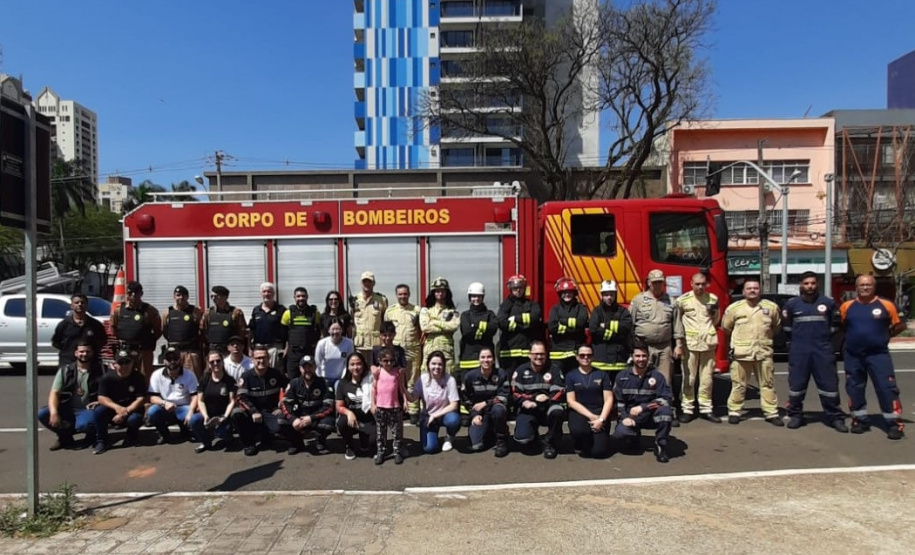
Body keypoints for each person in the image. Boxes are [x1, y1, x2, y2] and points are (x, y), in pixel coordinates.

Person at [840, 273, 907, 440]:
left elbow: (900, 325)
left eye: (868, 285)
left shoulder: (886, 305)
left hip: (878, 355)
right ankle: (859, 419)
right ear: (856, 288)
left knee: (886, 388)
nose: (865, 287)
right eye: (861, 285)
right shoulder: (847, 306)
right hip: (853, 355)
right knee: (854, 387)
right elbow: (842, 326)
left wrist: (885, 336)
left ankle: (894, 424)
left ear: (874, 287)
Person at [782, 271, 848, 432]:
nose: (809, 286)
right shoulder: (791, 305)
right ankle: (796, 415)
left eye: (812, 283)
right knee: (797, 385)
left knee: (829, 386)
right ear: (800, 285)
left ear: (817, 284)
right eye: (806, 283)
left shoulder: (828, 303)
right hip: (800, 351)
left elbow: (836, 326)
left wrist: (821, 338)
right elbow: (787, 329)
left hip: (823, 350)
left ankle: (835, 417)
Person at [721, 278, 783, 426]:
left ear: (760, 290)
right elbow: (726, 327)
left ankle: (771, 412)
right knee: (739, 384)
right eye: (749, 288)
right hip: (742, 353)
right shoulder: (734, 308)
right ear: (743, 291)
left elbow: (776, 327)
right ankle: (735, 411)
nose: (752, 290)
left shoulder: (771, 307)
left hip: (763, 353)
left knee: (767, 384)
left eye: (755, 288)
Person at [612, 341, 675, 463]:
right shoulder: (622, 376)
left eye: (644, 356)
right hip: (632, 416)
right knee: (620, 434)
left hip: (650, 415)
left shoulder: (657, 377)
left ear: (648, 357)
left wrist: (644, 407)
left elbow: (666, 399)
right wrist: (624, 417)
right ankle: (634, 437)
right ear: (632, 357)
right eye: (637, 356)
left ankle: (661, 446)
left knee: (665, 413)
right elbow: (619, 402)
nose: (641, 359)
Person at [631, 269, 679, 423]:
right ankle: (642, 411)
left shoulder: (672, 301)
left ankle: (667, 411)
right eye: (655, 282)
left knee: (665, 380)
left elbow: (677, 325)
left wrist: (679, 345)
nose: (658, 285)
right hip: (644, 346)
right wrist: (634, 347)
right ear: (648, 282)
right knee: (642, 379)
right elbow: (631, 324)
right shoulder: (638, 300)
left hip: (664, 347)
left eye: (660, 282)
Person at [37, 342, 103, 451]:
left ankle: (91, 435)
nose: (84, 354)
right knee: (43, 413)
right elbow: (54, 393)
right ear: (76, 353)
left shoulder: (101, 370)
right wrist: (54, 413)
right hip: (68, 408)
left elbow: (110, 391)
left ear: (92, 353)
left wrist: (100, 401)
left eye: (88, 351)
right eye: (81, 351)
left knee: (83, 425)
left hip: (88, 410)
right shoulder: (65, 370)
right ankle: (64, 437)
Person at [674, 273, 721, 423]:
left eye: (703, 284)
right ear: (691, 284)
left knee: (707, 379)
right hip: (690, 345)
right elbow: (678, 323)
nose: (700, 287)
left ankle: (706, 409)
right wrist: (679, 344)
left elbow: (716, 319)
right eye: (697, 284)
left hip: (708, 344)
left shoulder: (712, 299)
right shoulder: (682, 300)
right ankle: (687, 409)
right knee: (689, 379)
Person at [231, 345, 290, 456]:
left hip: (270, 411)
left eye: (264, 357)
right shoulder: (246, 377)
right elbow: (240, 397)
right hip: (252, 413)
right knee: (237, 413)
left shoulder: (276, 374)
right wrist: (253, 411)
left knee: (279, 426)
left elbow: (289, 387)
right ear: (253, 360)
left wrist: (282, 404)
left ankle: (266, 435)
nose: (261, 360)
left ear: (268, 359)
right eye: (258, 358)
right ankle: (249, 444)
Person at [510, 341, 564, 459]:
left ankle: (550, 442)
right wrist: (526, 401)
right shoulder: (520, 370)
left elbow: (559, 391)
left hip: (548, 407)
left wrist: (548, 399)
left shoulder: (554, 369)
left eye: (542, 354)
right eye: (536, 354)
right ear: (529, 355)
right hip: (528, 408)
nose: (539, 357)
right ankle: (533, 436)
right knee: (522, 438)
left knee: (558, 411)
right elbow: (514, 393)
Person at [92, 350, 147, 454]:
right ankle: (102, 441)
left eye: (127, 362)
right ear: (115, 364)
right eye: (121, 363)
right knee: (99, 411)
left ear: (132, 363)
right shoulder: (107, 378)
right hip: (113, 410)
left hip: (131, 410)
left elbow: (141, 399)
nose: (124, 366)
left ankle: (131, 437)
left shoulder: (138, 377)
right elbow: (101, 398)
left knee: (135, 419)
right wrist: (117, 408)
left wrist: (125, 411)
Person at [565, 344, 613, 458]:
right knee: (579, 431)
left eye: (589, 355)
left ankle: (597, 438)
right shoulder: (571, 375)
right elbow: (571, 401)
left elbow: (609, 399)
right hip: (580, 412)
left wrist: (601, 419)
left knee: (599, 453)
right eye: (582, 355)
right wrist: (591, 416)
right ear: (577, 357)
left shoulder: (602, 374)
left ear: (593, 357)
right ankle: (580, 442)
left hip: (599, 412)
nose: (585, 357)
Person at [281, 355, 336, 455]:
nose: (307, 370)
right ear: (300, 368)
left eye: (310, 366)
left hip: (317, 418)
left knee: (328, 424)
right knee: (281, 421)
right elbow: (286, 404)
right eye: (304, 367)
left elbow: (329, 406)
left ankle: (320, 441)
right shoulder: (294, 383)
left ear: (315, 367)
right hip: (300, 418)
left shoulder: (324, 383)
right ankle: (296, 443)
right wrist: (293, 419)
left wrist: (312, 418)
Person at [384, 284, 423, 425]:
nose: (403, 296)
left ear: (409, 294)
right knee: (396, 380)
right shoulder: (390, 311)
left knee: (413, 381)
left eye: (405, 294)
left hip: (413, 350)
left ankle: (413, 411)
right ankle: (397, 409)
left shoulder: (417, 310)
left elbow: (422, 331)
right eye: (400, 294)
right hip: (395, 351)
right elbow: (385, 331)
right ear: (396, 295)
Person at [461, 347, 510, 457]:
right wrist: (474, 415)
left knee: (498, 409)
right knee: (476, 445)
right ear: (479, 360)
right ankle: (488, 432)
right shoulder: (470, 376)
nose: (486, 360)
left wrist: (486, 403)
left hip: (495, 410)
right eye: (483, 357)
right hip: (480, 414)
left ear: (493, 360)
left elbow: (504, 397)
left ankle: (501, 440)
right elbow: (466, 400)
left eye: (489, 357)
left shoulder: (501, 374)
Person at [110, 281, 161, 381]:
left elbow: (158, 330)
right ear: (126, 294)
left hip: (143, 352)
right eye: (130, 293)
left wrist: (147, 341)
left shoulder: (149, 311)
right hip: (125, 352)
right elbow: (113, 328)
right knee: (124, 378)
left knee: (144, 379)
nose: (133, 296)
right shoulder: (119, 310)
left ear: (141, 294)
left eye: (136, 293)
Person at [147, 346, 199, 444]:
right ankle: (164, 434)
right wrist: (164, 403)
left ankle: (186, 432)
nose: (172, 361)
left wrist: (191, 411)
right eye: (169, 358)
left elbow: (195, 396)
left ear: (180, 360)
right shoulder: (156, 374)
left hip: (184, 408)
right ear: (164, 361)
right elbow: (152, 398)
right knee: (152, 411)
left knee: (194, 417)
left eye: (175, 358)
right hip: (166, 407)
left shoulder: (189, 374)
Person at [414, 350, 461, 454]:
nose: (437, 367)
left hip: (444, 415)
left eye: (440, 364)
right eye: (433, 364)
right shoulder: (422, 379)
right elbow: (413, 398)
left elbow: (454, 405)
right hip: (428, 417)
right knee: (430, 449)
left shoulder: (450, 380)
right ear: (428, 365)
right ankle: (432, 433)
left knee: (454, 420)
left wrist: (435, 415)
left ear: (444, 366)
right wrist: (401, 387)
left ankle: (449, 437)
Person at [188, 350, 237, 453]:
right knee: (194, 420)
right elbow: (200, 400)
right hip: (209, 415)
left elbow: (231, 401)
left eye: (218, 361)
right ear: (208, 364)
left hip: (223, 416)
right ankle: (206, 442)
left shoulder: (230, 381)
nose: (215, 364)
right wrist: (205, 416)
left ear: (222, 362)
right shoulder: (204, 379)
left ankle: (228, 437)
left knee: (222, 432)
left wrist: (224, 417)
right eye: (212, 362)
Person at [497, 274, 543, 372]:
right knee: (508, 383)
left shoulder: (532, 304)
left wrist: (514, 319)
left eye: (520, 288)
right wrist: (525, 325)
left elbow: (535, 318)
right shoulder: (505, 305)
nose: (518, 290)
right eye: (515, 288)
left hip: (527, 351)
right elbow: (502, 323)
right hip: (509, 353)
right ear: (511, 289)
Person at [371, 346, 409, 465]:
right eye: (385, 361)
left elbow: (402, 388)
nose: (388, 363)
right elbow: (374, 388)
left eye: (391, 361)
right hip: (381, 406)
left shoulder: (397, 372)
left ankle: (397, 451)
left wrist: (405, 401)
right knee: (380, 432)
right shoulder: (378, 372)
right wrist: (373, 403)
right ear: (380, 361)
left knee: (396, 432)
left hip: (394, 406)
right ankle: (381, 452)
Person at [588, 280, 633, 380]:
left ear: (615, 295)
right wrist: (615, 334)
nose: (609, 297)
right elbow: (593, 329)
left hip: (619, 360)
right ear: (602, 295)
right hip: (600, 360)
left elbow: (626, 327)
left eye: (611, 294)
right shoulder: (597, 311)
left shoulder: (623, 311)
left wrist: (606, 326)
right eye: (606, 295)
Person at [335, 353, 376, 461]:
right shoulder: (343, 383)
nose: (355, 367)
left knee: (370, 446)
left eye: (358, 364)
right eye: (352, 364)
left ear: (363, 365)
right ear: (348, 367)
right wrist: (349, 413)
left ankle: (364, 438)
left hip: (368, 418)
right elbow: (339, 406)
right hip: (351, 419)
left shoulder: (371, 380)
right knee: (342, 422)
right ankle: (349, 445)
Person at [51, 293, 107, 368]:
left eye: (82, 302)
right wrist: (68, 350)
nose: (80, 305)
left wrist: (89, 351)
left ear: (87, 306)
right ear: (71, 306)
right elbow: (56, 342)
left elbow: (102, 341)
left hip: (90, 363)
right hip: (68, 361)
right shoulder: (64, 324)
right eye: (76, 302)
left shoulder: (95, 325)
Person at [161, 285, 204, 379]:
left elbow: (202, 330)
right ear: (174, 297)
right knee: (173, 379)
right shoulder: (167, 313)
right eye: (178, 295)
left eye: (183, 295)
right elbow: (164, 331)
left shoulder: (195, 312)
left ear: (187, 297)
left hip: (190, 353)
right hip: (174, 354)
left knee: (193, 380)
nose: (181, 298)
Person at [547, 277, 589, 374]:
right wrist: (572, 327)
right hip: (557, 354)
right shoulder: (555, 309)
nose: (567, 294)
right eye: (564, 292)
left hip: (574, 352)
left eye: (570, 292)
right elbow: (552, 327)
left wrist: (561, 322)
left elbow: (581, 324)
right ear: (560, 294)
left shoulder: (581, 308)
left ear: (575, 293)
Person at [420, 277, 460, 374]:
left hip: (446, 352)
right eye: (437, 291)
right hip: (429, 350)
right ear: (433, 293)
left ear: (447, 293)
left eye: (442, 291)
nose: (440, 294)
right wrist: (444, 326)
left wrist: (434, 322)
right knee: (427, 381)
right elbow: (425, 327)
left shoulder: (452, 311)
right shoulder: (426, 310)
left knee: (448, 380)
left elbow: (453, 327)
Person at [281, 287, 322, 381]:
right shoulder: (288, 313)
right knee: (293, 379)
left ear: (307, 297)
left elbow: (319, 331)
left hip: (309, 351)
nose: (301, 298)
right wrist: (285, 347)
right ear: (294, 298)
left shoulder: (314, 312)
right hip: (293, 353)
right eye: (298, 296)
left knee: (310, 378)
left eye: (303, 296)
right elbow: (283, 333)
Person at [459, 282, 499, 375]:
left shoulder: (490, 314)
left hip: (486, 360)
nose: (476, 299)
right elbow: (466, 332)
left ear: (483, 297)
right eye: (473, 296)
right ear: (470, 297)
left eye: (479, 296)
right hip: (468, 360)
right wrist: (484, 327)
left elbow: (493, 329)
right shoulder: (465, 315)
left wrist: (474, 325)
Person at [249, 282, 287, 369]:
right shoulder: (256, 310)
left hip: (275, 348)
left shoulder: (281, 309)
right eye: (264, 291)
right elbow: (251, 330)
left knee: (275, 374)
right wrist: (249, 348)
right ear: (261, 294)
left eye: (269, 291)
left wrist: (286, 348)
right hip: (259, 348)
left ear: (273, 293)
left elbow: (287, 331)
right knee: (259, 371)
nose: (266, 294)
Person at [201, 285, 247, 354]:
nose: (213, 298)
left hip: (229, 351)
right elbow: (203, 330)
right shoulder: (208, 313)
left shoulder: (235, 313)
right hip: (213, 351)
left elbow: (242, 332)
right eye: (212, 296)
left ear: (225, 297)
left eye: (216, 296)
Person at [353, 271, 388, 361]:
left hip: (376, 345)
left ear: (374, 283)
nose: (367, 284)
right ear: (361, 283)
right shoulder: (354, 300)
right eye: (365, 281)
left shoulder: (381, 300)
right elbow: (351, 323)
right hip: (359, 345)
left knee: (376, 371)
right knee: (360, 370)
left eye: (369, 281)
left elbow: (385, 321)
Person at [315, 321, 355, 394]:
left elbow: (349, 362)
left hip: (340, 378)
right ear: (328, 330)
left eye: (338, 329)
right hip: (325, 378)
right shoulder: (322, 343)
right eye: (333, 329)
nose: (335, 332)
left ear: (342, 330)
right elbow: (318, 363)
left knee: (338, 389)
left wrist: (343, 378)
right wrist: (320, 379)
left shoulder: (349, 343)